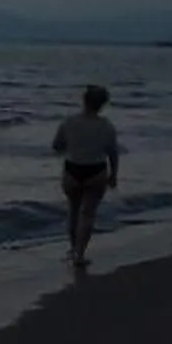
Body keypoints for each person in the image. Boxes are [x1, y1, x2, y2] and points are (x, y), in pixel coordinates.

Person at [51, 83, 120, 271]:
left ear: (84, 101)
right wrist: (114, 175)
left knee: (73, 212)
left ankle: (73, 248)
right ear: (102, 104)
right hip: (96, 171)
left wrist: (73, 147)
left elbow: (57, 146)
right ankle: (80, 254)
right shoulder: (107, 126)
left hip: (73, 169)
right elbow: (113, 153)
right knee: (88, 214)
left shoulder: (69, 122)